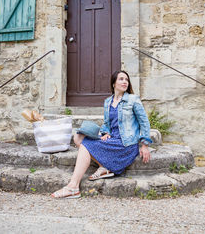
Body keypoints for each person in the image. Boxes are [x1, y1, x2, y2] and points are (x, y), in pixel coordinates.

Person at [51, 70, 152, 198]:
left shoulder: (133, 100)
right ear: (114, 83)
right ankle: (103, 166)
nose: (125, 82)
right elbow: (106, 123)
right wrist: (105, 132)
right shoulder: (108, 102)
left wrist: (144, 145)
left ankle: (73, 186)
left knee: (85, 145)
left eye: (126, 79)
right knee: (79, 138)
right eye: (121, 79)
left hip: (126, 144)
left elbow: (144, 122)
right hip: (112, 140)